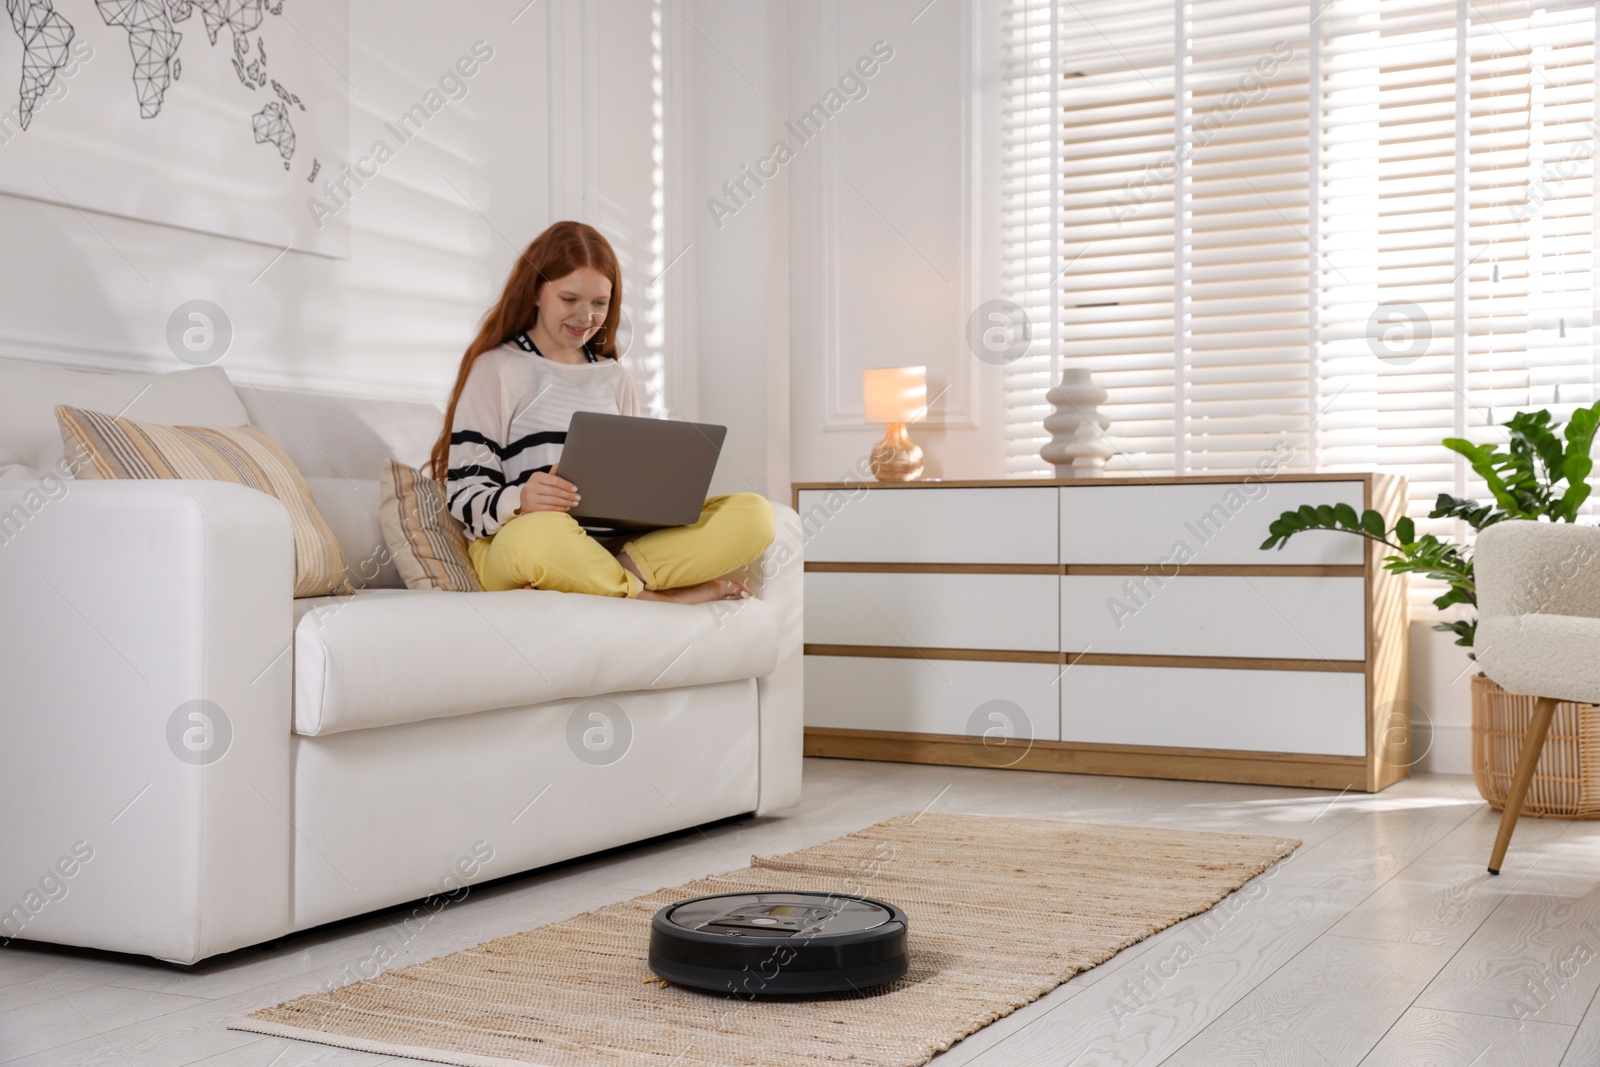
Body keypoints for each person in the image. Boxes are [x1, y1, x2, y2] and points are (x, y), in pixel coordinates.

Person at [428, 221, 773, 603]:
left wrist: (656, 505)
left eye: (599, 303)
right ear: (536, 293)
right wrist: (522, 498)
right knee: (540, 538)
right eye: (569, 299)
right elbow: (463, 496)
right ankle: (659, 598)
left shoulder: (614, 377)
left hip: (610, 545)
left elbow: (632, 484)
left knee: (754, 515)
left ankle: (605, 580)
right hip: (526, 540)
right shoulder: (496, 370)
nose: (586, 317)